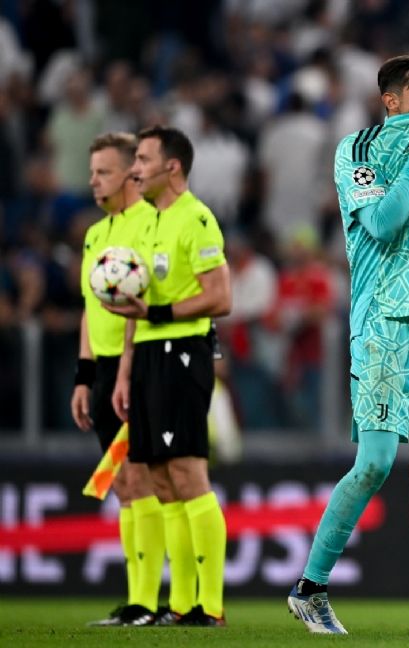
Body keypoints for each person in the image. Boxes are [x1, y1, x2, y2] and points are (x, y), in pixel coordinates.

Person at [286, 54, 409, 636]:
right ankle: (310, 587)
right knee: (375, 463)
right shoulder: (356, 149)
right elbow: (381, 223)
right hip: (382, 324)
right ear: (392, 101)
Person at [106, 125, 231, 626]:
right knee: (159, 478)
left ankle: (211, 606)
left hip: (183, 352)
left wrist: (157, 315)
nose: (134, 170)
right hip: (148, 356)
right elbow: (138, 308)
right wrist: (125, 372)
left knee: (187, 473)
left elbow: (220, 297)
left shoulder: (196, 219)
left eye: (142, 160)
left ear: (171, 166)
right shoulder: (151, 222)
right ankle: (181, 604)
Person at [72, 132, 164, 627]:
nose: (93, 181)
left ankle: (148, 602)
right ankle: (138, 599)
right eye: (92, 172)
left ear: (130, 173)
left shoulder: (149, 223)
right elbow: (90, 309)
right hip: (105, 369)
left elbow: (139, 307)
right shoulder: (94, 234)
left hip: (139, 366)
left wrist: (126, 367)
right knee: (125, 487)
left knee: (139, 480)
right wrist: (84, 377)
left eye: (103, 171)